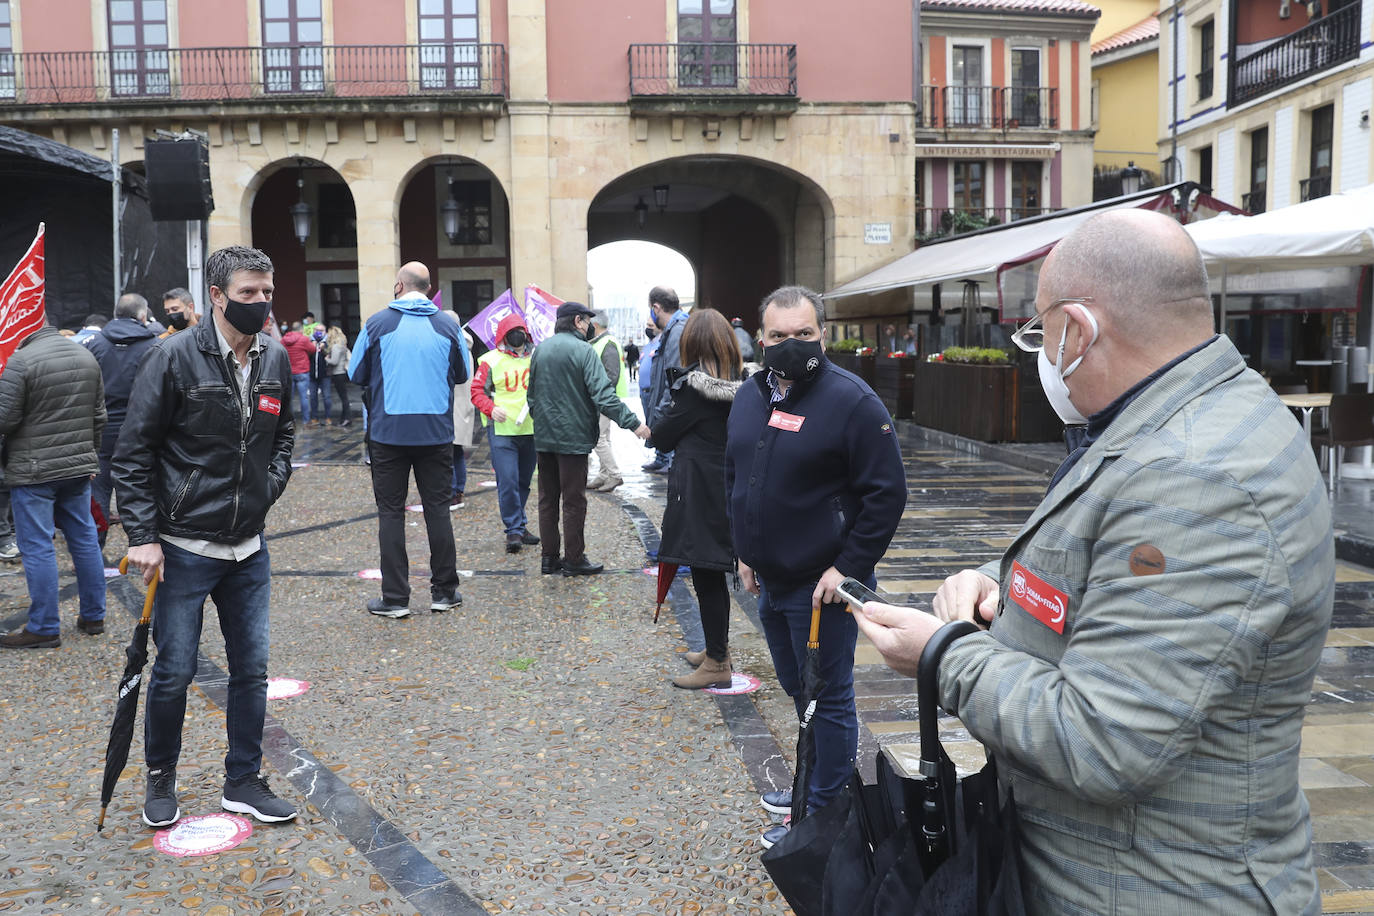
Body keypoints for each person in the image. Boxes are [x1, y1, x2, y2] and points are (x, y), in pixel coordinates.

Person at [854, 209, 1333, 915]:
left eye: (1038, 332)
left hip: (1155, 889)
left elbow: (1101, 742)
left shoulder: (1197, 474)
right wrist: (998, 587)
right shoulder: (1169, 423)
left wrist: (943, 655)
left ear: (1077, 330)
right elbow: (1100, 564)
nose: (1039, 353)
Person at [114, 245, 298, 828]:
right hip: (185, 546)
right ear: (216, 297)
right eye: (248, 294)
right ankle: (160, 777)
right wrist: (142, 535)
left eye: (267, 293)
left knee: (252, 670)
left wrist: (266, 489)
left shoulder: (273, 359)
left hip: (249, 547)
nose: (261, 304)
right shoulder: (172, 358)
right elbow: (133, 452)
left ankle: (243, 779)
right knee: (174, 670)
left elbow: (285, 436)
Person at [724, 285, 907, 848]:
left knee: (827, 700)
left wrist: (846, 569)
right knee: (799, 694)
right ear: (761, 338)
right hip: (771, 580)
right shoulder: (752, 394)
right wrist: (744, 550)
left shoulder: (852, 400)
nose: (791, 345)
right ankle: (814, 786)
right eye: (779, 336)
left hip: (824, 586)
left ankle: (823, 816)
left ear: (822, 334)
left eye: (803, 334)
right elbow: (737, 477)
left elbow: (887, 494)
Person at [349, 261, 469, 618]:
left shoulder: (377, 323)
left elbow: (356, 373)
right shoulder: (448, 325)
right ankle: (444, 592)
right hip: (435, 433)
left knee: (391, 513)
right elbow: (462, 374)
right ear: (429, 289)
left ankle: (395, 598)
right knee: (438, 510)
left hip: (388, 433)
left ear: (399, 286)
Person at [651, 309, 748, 689]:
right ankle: (715, 649)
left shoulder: (695, 390)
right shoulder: (745, 384)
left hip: (702, 494)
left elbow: (660, 435)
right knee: (713, 576)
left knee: (707, 576)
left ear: (693, 344)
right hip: (726, 488)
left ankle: (718, 663)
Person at [0, 319, 107, 648]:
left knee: (38, 546)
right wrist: (91, 458)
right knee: (85, 538)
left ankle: (44, 627)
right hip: (77, 468)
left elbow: (4, 419)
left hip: (34, 471)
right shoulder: (85, 356)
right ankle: (94, 616)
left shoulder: (22, 361)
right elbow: (98, 416)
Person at [527, 301, 650, 576]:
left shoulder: (540, 350)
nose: (589, 326)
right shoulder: (584, 350)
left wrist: (544, 423)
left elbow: (531, 396)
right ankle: (573, 559)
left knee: (547, 499)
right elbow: (604, 396)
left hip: (544, 438)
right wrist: (634, 424)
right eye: (586, 321)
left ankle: (549, 558)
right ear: (578, 321)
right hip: (573, 439)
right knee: (573, 500)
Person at [85, 293, 159, 545]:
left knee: (99, 490)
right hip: (141, 430)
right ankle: (147, 546)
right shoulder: (155, 347)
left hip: (102, 430)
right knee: (143, 490)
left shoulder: (95, 344)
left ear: (116, 314)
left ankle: (93, 551)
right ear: (142, 315)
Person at [470, 313, 539, 553]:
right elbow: (477, 392)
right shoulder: (490, 360)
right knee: (508, 479)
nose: (517, 335)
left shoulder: (536, 358)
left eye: (520, 330)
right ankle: (513, 530)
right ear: (503, 336)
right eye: (512, 331)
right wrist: (491, 408)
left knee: (523, 481)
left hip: (530, 430)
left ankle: (519, 525)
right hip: (502, 430)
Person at [642, 286, 687, 474]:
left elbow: (675, 379)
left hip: (674, 409)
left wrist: (661, 414)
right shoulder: (675, 329)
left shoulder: (677, 331)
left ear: (656, 308)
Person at [586, 310, 628, 493]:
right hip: (603, 397)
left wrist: (598, 396)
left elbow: (612, 374)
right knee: (604, 437)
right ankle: (604, 475)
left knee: (597, 438)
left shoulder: (607, 343)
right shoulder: (601, 342)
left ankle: (614, 474)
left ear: (594, 326)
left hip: (604, 398)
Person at [449, 325, 476, 510]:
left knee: (448, 452)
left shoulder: (454, 349)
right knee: (457, 452)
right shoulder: (467, 350)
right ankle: (458, 490)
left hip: (453, 405)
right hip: (465, 404)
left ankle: (451, 493)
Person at [280, 321, 317, 428]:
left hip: (289, 372)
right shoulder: (303, 339)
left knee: (289, 398)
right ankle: (306, 421)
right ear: (301, 329)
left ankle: (291, 421)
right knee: (304, 397)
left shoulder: (283, 339)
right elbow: (312, 349)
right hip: (302, 371)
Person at [323, 325, 352, 427]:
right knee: (344, 396)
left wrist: (326, 359)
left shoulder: (336, 347)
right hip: (342, 372)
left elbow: (334, 361)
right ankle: (344, 418)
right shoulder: (342, 345)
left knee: (343, 397)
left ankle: (347, 418)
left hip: (337, 373)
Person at [308, 328, 332, 425]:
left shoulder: (328, 342)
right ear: (314, 331)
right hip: (312, 375)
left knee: (327, 397)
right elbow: (306, 354)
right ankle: (314, 417)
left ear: (325, 332)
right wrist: (312, 348)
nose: (319, 332)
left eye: (321, 330)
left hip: (325, 374)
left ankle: (328, 417)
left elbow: (331, 354)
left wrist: (324, 349)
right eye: (317, 330)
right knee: (313, 397)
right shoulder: (309, 342)